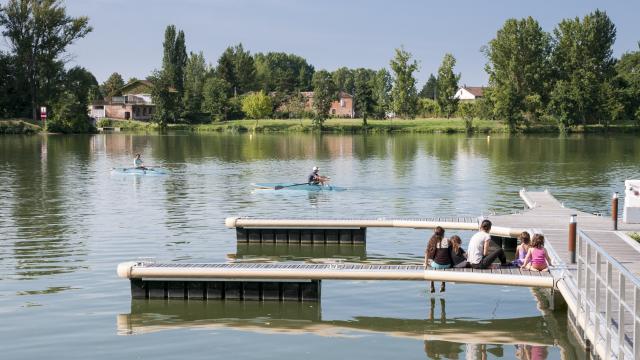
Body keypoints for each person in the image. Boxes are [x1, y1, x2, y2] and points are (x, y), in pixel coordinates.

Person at [425, 226, 452, 292]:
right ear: (443, 233)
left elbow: (427, 252)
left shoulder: (432, 241)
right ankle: (443, 284)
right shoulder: (448, 241)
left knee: (430, 263)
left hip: (436, 265)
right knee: (444, 261)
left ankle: (432, 285)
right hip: (447, 265)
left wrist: (425, 263)